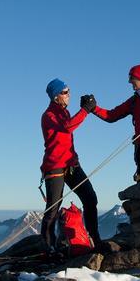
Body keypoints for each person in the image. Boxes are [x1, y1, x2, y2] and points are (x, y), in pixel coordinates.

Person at [39, 78, 101, 256]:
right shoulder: (49, 115)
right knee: (53, 209)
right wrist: (86, 110)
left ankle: (95, 238)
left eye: (69, 91)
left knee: (90, 198)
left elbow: (69, 125)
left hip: (71, 164)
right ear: (56, 96)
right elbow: (68, 128)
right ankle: (49, 248)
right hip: (55, 166)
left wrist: (85, 110)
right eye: (65, 92)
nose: (69, 95)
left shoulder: (63, 113)